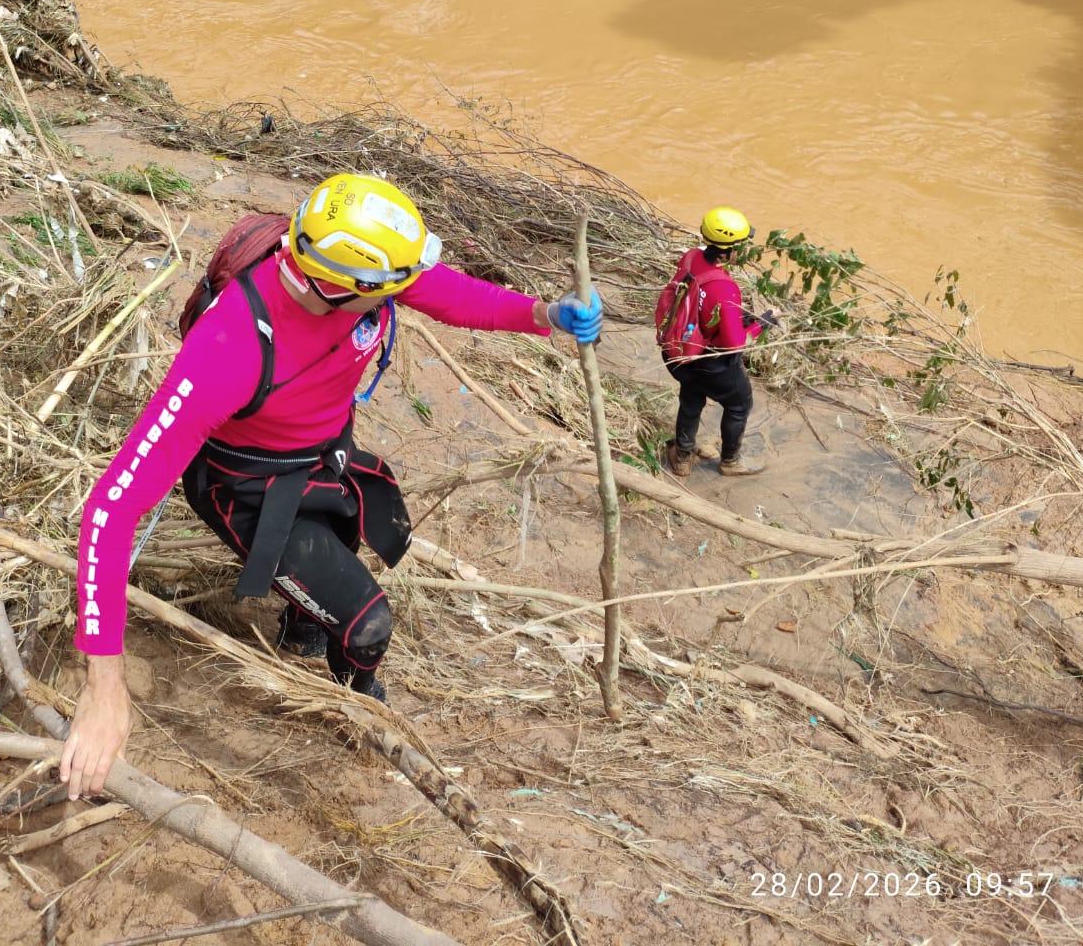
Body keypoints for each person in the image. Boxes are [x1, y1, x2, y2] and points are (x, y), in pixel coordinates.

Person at [61, 171, 602, 800]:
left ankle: (302, 633)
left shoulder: (349, 272)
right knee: (368, 624)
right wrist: (105, 688)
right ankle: (358, 702)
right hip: (247, 486)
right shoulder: (229, 347)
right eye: (395, 288)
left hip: (321, 451)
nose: (409, 293)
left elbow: (450, 294)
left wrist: (543, 315)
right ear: (344, 286)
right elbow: (110, 509)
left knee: (344, 548)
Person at [655, 205, 770, 479]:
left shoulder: (691, 257)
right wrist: (761, 324)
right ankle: (730, 462)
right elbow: (734, 345)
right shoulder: (726, 288)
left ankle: (682, 456)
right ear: (729, 250)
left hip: (677, 354)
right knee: (739, 404)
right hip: (708, 362)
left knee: (692, 395)